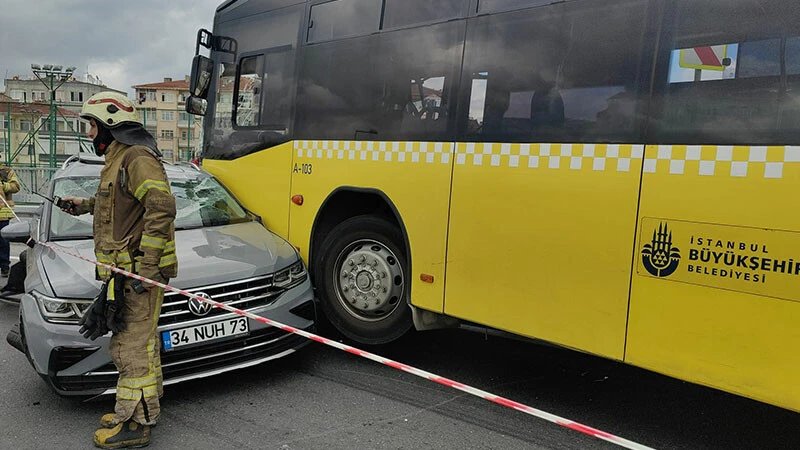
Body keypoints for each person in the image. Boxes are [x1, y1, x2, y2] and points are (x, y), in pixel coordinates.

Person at [62, 91, 177, 449]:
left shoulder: (135, 157)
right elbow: (119, 204)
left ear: (109, 126)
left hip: (136, 276)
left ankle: (133, 425)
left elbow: (161, 207)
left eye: (91, 125)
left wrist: (146, 267)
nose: (88, 133)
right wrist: (83, 205)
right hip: (125, 274)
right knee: (141, 345)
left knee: (129, 348)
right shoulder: (119, 158)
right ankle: (144, 412)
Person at [0, 159, 20, 276]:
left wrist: (4, 185)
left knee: (3, 239)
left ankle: (4, 265)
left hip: (3, 212)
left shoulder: (7, 172)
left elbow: (16, 186)